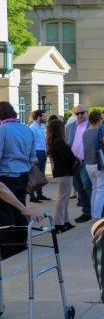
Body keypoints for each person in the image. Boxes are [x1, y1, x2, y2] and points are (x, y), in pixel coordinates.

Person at [0, 102, 38, 259]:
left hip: (5, 176)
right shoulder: (27, 129)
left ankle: (8, 249)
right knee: (21, 209)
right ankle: (21, 245)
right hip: (23, 175)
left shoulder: (2, 130)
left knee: (5, 214)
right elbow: (32, 157)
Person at [83, 111, 104, 220]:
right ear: (99, 120)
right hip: (100, 164)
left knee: (95, 189)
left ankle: (94, 215)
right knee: (101, 191)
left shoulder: (86, 132)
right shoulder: (100, 130)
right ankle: (97, 217)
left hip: (89, 164)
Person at [47, 119, 77, 233]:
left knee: (64, 199)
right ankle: (58, 223)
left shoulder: (54, 141)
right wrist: (75, 159)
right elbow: (68, 157)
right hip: (64, 172)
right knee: (62, 199)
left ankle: (65, 221)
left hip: (62, 172)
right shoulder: (59, 141)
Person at [65, 104, 92, 223]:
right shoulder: (70, 127)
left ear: (87, 113)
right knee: (79, 188)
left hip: (88, 161)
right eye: (77, 113)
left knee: (89, 187)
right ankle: (86, 212)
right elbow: (67, 143)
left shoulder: (92, 125)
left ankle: (95, 211)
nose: (80, 115)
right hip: (74, 162)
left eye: (82, 113)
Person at [29, 109, 51, 202]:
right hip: (37, 152)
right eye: (44, 116)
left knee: (41, 174)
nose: (45, 117)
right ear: (39, 117)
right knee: (35, 174)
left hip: (43, 151)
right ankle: (32, 196)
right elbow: (31, 142)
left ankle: (40, 194)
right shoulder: (32, 128)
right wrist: (33, 155)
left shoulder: (42, 126)